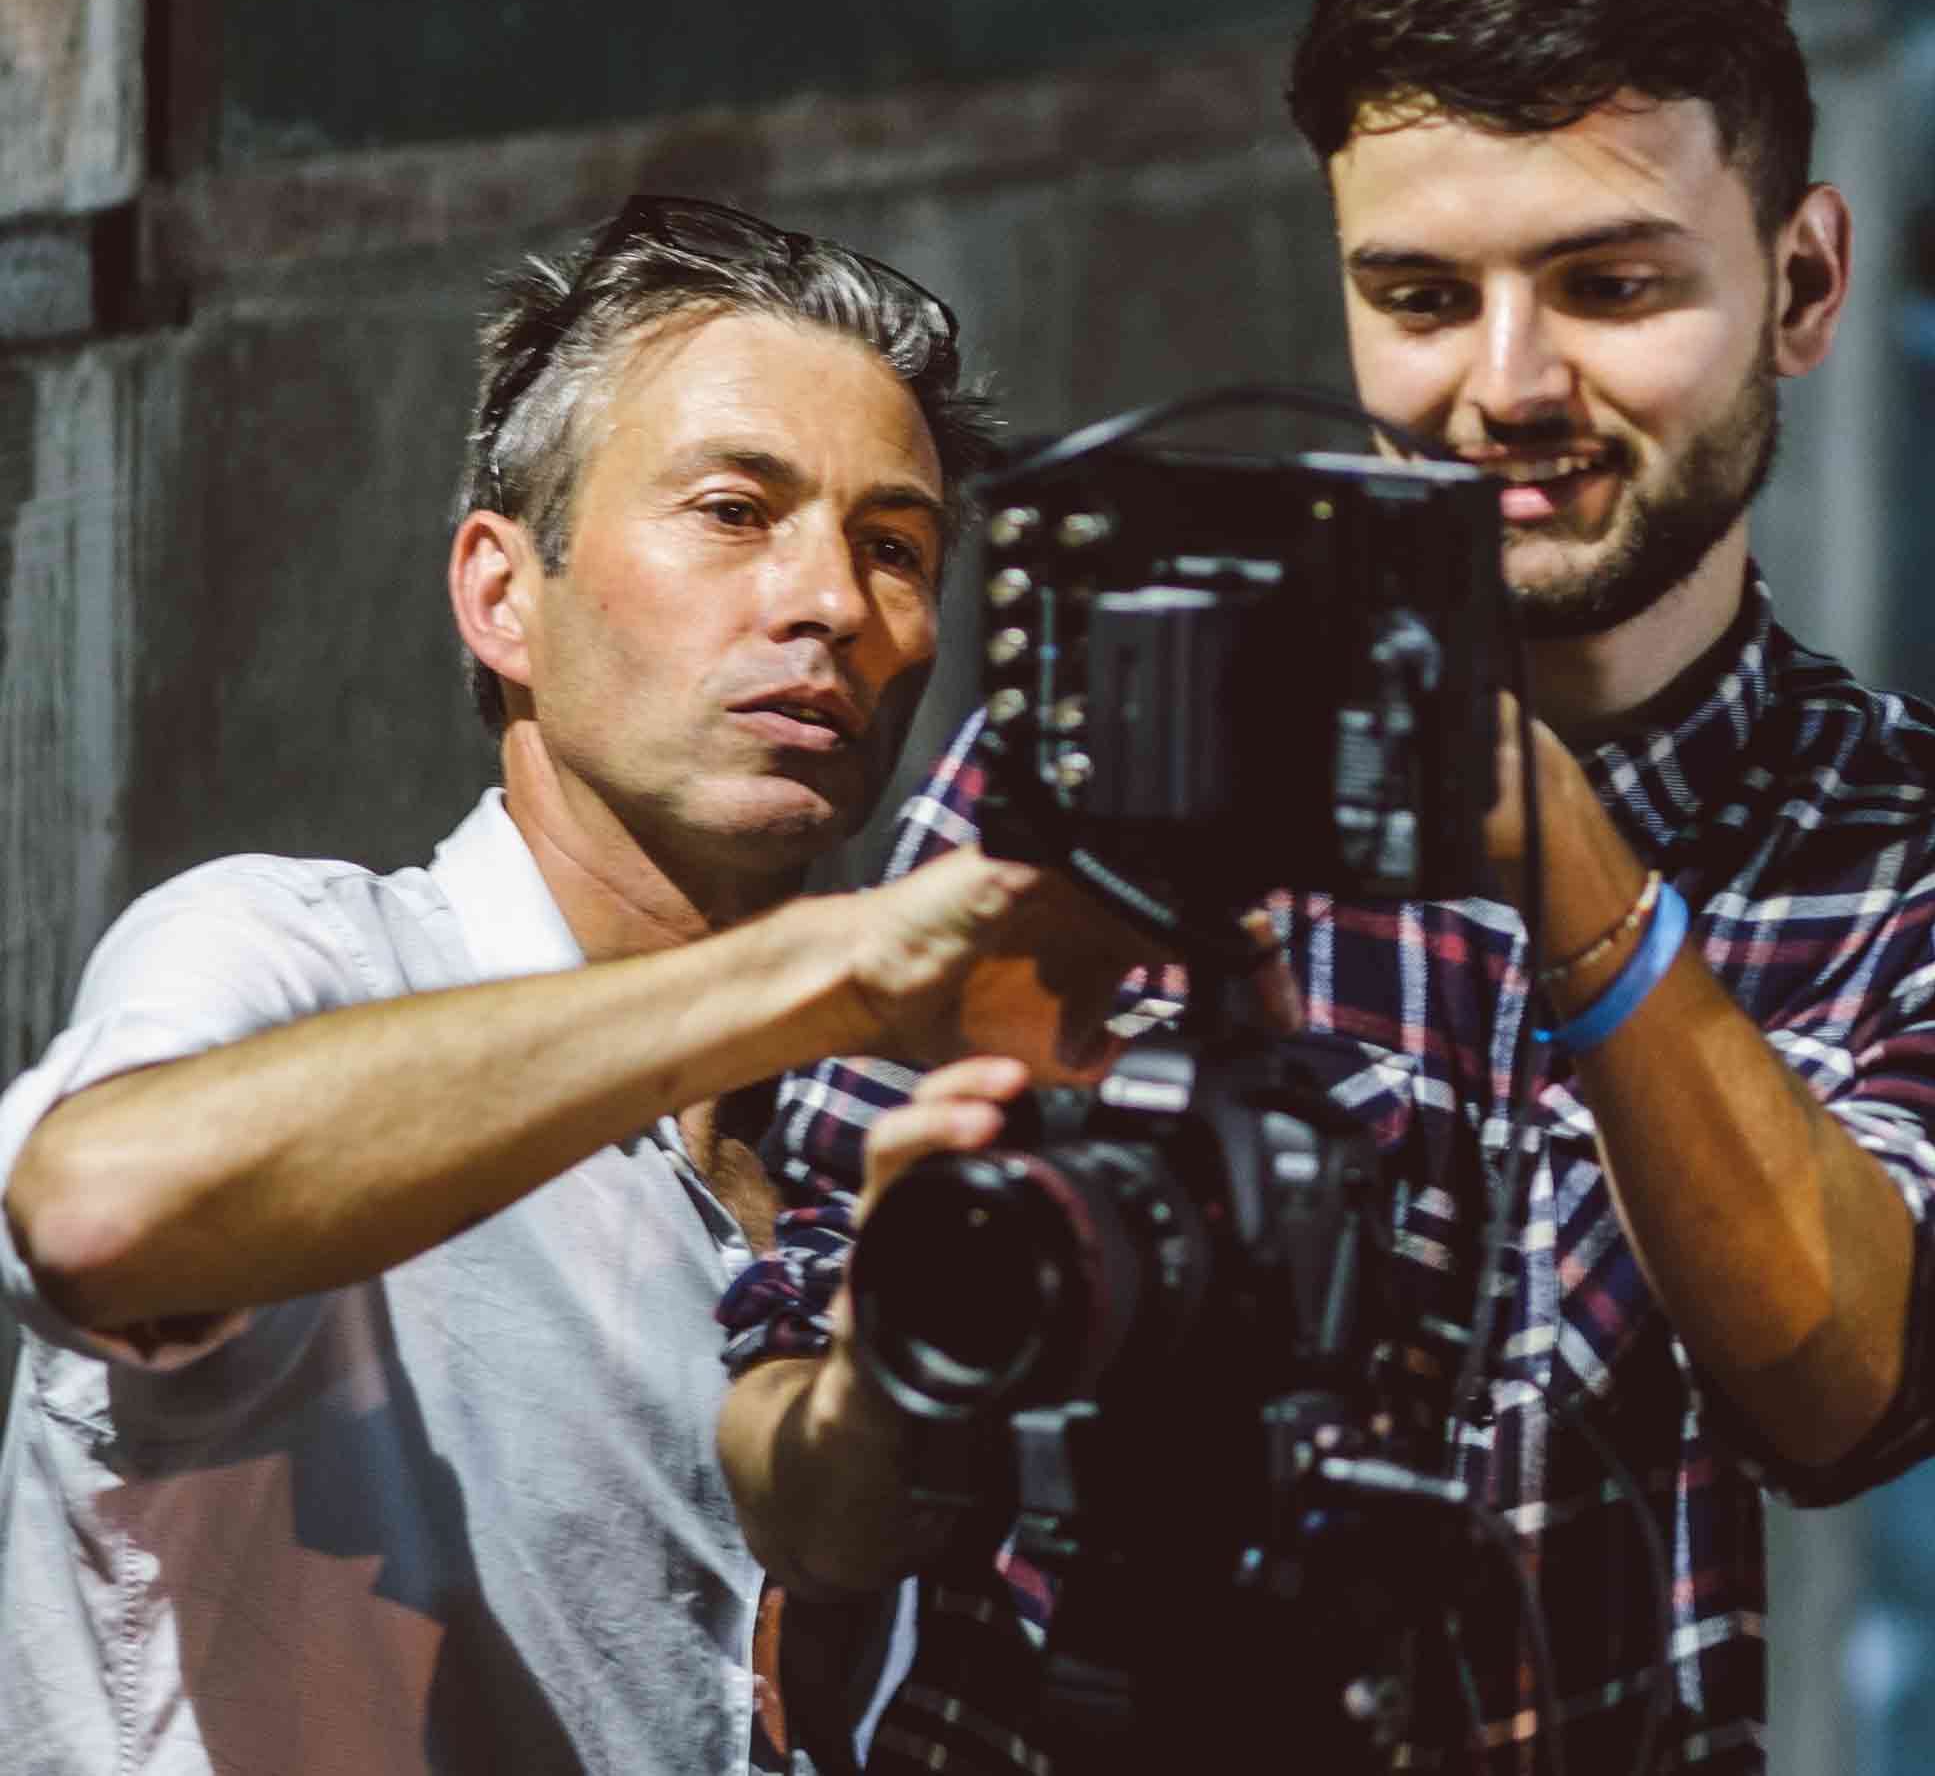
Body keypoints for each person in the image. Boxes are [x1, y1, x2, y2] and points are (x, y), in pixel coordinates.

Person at [713, 0, 1935, 1773]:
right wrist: (902, 1357)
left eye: (1609, 285)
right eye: (1419, 295)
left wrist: (1563, 858)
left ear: (1800, 281)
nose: (1504, 385)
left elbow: (1849, 1394)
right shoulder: (1119, 746)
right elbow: (799, 1483)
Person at [0, 196, 1138, 1776]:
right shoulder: (298, 954)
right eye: (736, 510)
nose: (829, 600)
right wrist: (835, 962)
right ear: (500, 593)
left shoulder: (852, 1163)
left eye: (895, 547)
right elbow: (93, 1210)